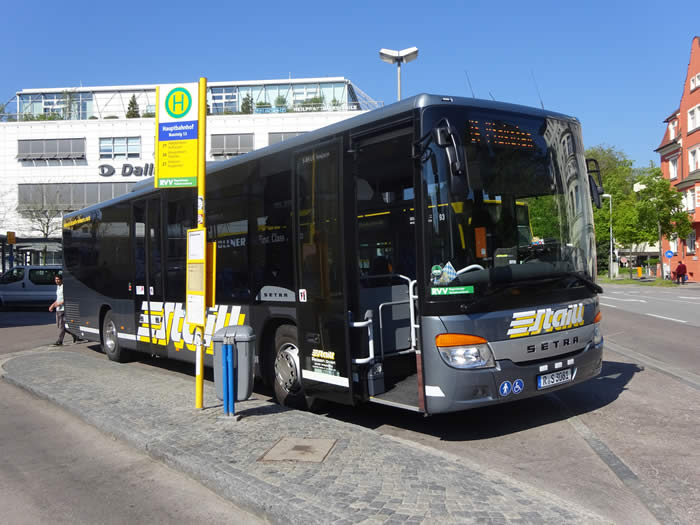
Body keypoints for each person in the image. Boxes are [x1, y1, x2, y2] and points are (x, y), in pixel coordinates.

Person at [49, 274, 81, 345]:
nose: (57, 281)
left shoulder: (64, 287)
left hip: (63, 309)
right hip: (58, 309)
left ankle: (60, 341)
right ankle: (74, 335)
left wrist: (60, 303)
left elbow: (67, 298)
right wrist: (52, 305)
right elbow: (58, 299)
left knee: (61, 326)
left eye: (58, 279)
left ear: (61, 280)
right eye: (55, 279)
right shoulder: (58, 287)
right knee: (59, 326)